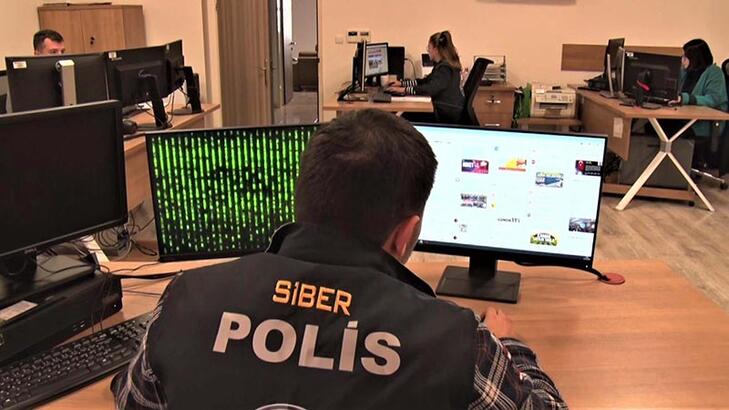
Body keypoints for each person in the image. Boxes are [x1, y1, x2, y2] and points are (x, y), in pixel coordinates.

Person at [112, 109, 566, 409]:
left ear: (302, 201)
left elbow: (135, 398)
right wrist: (512, 347)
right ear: (405, 234)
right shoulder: (459, 344)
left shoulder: (185, 299)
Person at [667, 39, 727, 166]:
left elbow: (713, 99)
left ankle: (675, 168)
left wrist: (685, 98)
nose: (682, 60)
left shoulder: (715, 73)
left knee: (664, 127)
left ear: (695, 59)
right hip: (683, 118)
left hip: (703, 124)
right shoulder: (686, 72)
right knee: (651, 125)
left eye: (685, 57)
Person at [387, 31, 465, 124]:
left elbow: (430, 89)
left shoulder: (445, 69)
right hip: (446, 108)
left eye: (429, 47)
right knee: (404, 115)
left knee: (404, 118)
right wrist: (401, 83)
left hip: (445, 111)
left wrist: (404, 90)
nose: (428, 50)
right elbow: (425, 81)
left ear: (436, 49)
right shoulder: (443, 65)